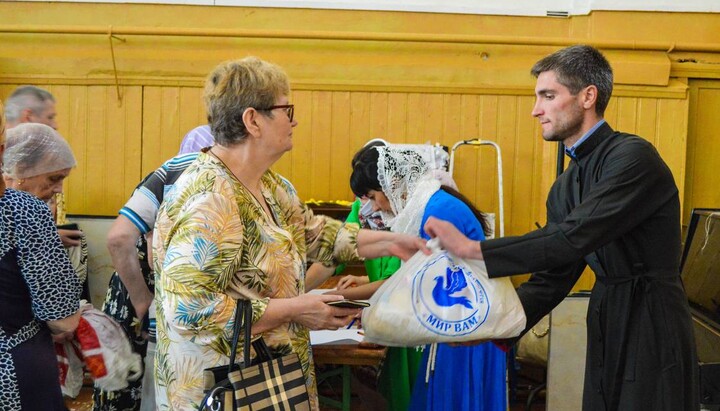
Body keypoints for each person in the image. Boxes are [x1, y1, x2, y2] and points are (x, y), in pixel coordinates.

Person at [424, 45, 699, 411]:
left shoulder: (633, 158)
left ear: (588, 96)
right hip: (606, 315)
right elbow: (554, 277)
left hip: (652, 319)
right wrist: (491, 325)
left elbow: (571, 237)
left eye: (548, 96)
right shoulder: (566, 187)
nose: (536, 110)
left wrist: (474, 249)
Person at [152, 56, 426, 409]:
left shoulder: (270, 185)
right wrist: (295, 309)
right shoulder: (211, 200)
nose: (294, 120)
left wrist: (397, 242)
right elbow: (190, 309)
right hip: (224, 389)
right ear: (253, 120)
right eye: (286, 109)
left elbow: (315, 234)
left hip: (269, 380)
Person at [349, 143, 506, 411]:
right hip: (458, 325)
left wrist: (369, 312)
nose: (374, 207)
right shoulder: (431, 202)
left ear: (393, 183)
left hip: (465, 331)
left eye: (374, 197)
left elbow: (428, 285)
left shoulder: (436, 211)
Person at [94, 152, 198, 411]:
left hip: (137, 300)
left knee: (129, 388)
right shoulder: (187, 180)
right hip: (149, 304)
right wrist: (142, 300)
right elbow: (128, 244)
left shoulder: (164, 178)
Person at [0, 112, 83, 410]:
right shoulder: (24, 210)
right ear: (19, 167)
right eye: (54, 178)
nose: (59, 188)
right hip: (15, 364)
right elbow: (61, 315)